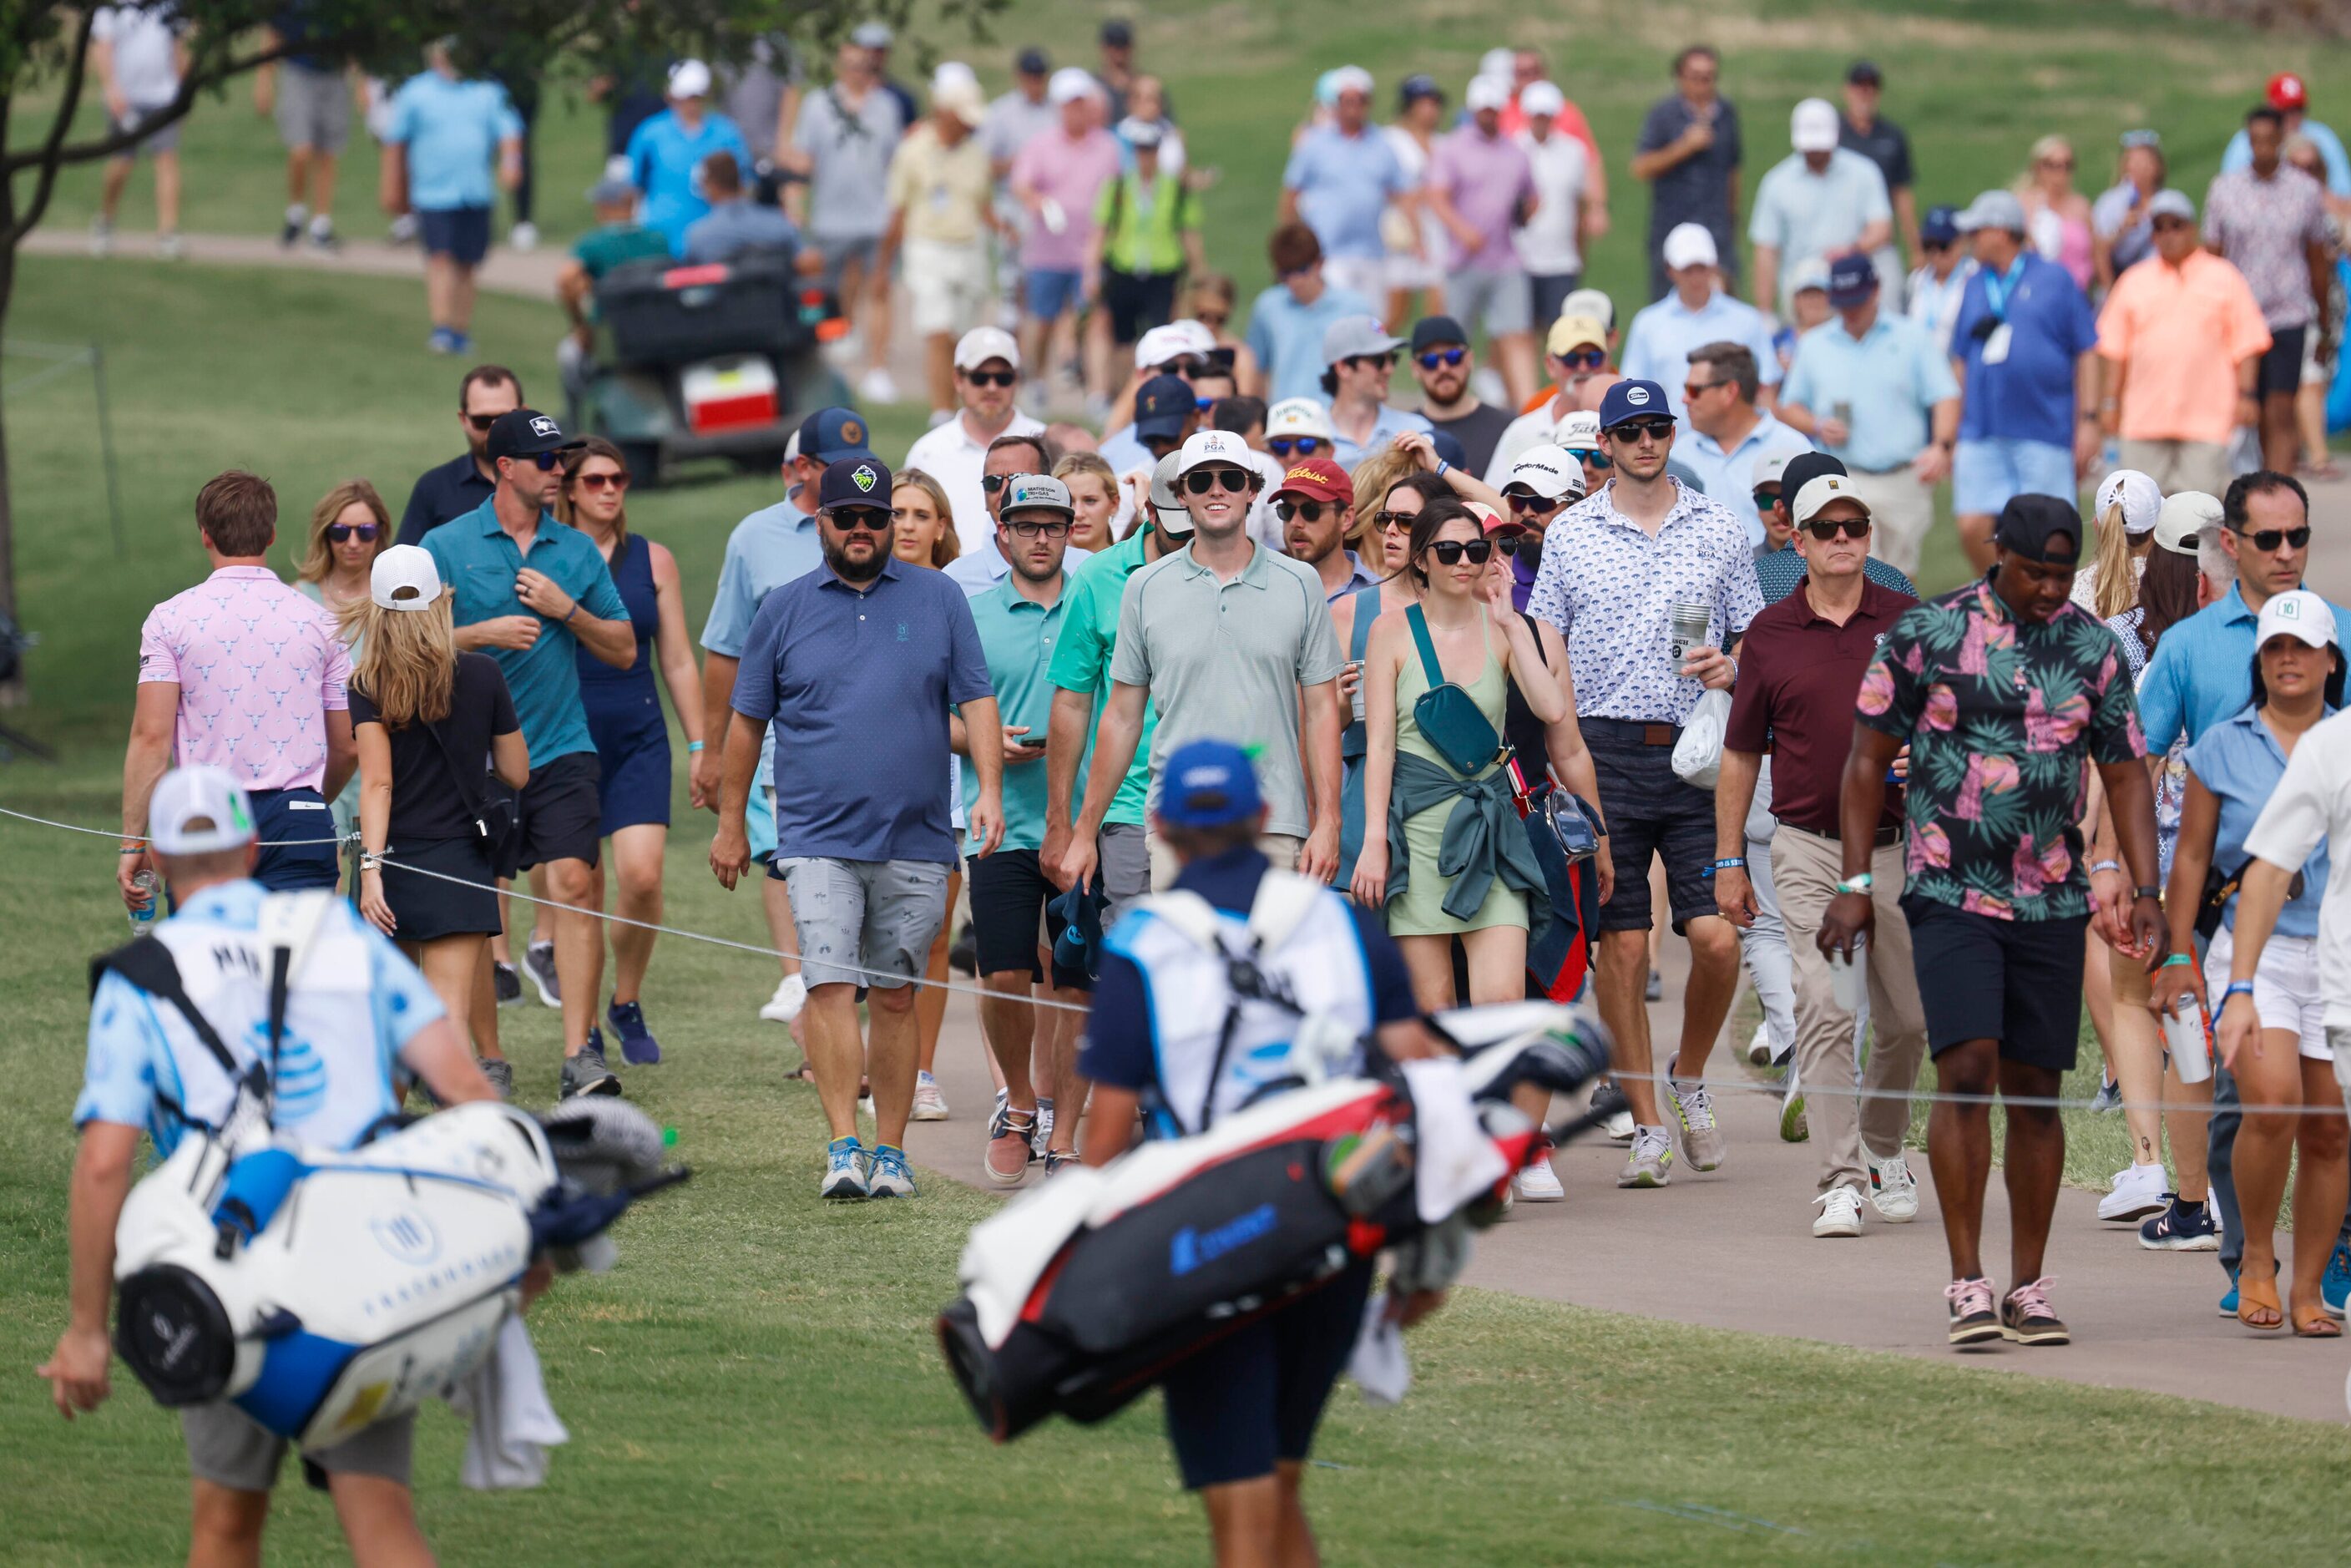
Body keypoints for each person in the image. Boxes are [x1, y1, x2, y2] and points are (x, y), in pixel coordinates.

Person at [41, 765, 498, 1567]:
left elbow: (105, 1162)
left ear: (153, 858)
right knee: (382, 1522)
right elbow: (464, 1089)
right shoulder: (342, 935)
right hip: (364, 1261)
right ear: (252, 847)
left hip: (224, 1269)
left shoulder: (139, 978)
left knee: (225, 1527)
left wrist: (87, 1331)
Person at [1077, 739, 1445, 1567]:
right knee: (1277, 1486)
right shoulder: (1343, 926)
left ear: (1162, 826)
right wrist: (1428, 1260)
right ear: (1260, 818)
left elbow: (1104, 1139)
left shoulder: (1142, 942)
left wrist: (1084, 1266)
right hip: (1331, 1237)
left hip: (1208, 1244)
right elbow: (1426, 1095)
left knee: (1240, 1512)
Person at [1833, 494, 2163, 1348]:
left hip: (2050, 897)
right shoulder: (1928, 633)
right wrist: (1851, 881)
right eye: (2036, 573)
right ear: (1996, 556)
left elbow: (2124, 771)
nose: (2053, 588)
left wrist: (2144, 886)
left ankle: (2028, 1286)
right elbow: (1867, 756)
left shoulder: (2090, 648)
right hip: (1947, 889)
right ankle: (1965, 1281)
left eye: (2062, 573)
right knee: (1966, 1064)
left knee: (2033, 1092)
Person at [712, 457, 1007, 1201]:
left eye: (878, 519)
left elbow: (976, 702)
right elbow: (746, 723)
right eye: (849, 517)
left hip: (915, 834)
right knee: (830, 984)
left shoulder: (939, 597)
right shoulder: (782, 607)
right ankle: (844, 1144)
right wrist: (730, 825)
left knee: (898, 994)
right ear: (824, 522)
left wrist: (991, 791)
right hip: (814, 837)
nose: (865, 530)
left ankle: (892, 1151)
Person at [1525, 379, 1764, 1187]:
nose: (1644, 442)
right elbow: (1545, 641)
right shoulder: (1569, 534)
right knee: (1621, 945)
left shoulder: (1718, 526)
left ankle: (1686, 1075)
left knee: (1714, 936)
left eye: (1656, 427)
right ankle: (1646, 1122)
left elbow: (1751, 634)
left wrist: (1732, 669)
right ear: (1607, 445)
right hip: (1601, 750)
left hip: (1696, 752)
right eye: (1628, 431)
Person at [1718, 473, 1925, 1237]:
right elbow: (1741, 756)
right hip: (1806, 850)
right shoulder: (1770, 635)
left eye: (1856, 527)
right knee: (1829, 1009)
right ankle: (1840, 1177)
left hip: (1898, 849)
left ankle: (1881, 1147)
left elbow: (1954, 723)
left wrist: (1927, 753)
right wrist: (1728, 859)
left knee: (1907, 1021)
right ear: (1797, 540)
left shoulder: (1907, 620)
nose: (1844, 540)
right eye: (1827, 528)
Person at [422, 409, 636, 1098]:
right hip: (471, 762)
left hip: (562, 748)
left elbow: (626, 649)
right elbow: (406, 648)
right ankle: (489, 1054)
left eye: (560, 463)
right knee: (477, 910)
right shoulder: (445, 546)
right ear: (503, 466)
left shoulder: (574, 552)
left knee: (575, 882)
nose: (558, 473)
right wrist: (479, 632)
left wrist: (566, 610)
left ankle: (581, 1053)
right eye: (546, 462)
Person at [2156, 589, 2344, 1334]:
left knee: (2330, 1129)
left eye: (2304, 648)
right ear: (2259, 660)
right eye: (2275, 648)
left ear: (2333, 661)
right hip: (2252, 953)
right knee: (2271, 1104)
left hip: (2338, 953)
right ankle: (2257, 1258)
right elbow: (2194, 857)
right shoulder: (2223, 744)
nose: (2289, 660)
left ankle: (2308, 1286)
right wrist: (2178, 955)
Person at [1059, 429, 1344, 894]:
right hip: (1178, 824)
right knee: (1181, 964)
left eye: (1231, 478)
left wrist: (1327, 821)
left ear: (1252, 491)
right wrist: (1085, 831)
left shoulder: (1301, 582)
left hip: (1273, 820)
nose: (1217, 489)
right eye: (1201, 480)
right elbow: (1122, 719)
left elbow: (1322, 709)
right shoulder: (1145, 587)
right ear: (1180, 494)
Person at [1354, 493, 1568, 1011]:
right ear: (1421, 558)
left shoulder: (1500, 626)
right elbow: (1380, 745)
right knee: (1434, 1012)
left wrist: (1512, 621)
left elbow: (1552, 709)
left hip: (1490, 833)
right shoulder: (1390, 631)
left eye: (1475, 550)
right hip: (1418, 833)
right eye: (1448, 552)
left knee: (1501, 1006)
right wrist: (1374, 841)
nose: (1465, 562)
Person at [2089, 491, 2225, 1245]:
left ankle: (2156, 1169)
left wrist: (2103, 854)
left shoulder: (2124, 639)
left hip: (2156, 856)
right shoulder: (2245, 639)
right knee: (2194, 1019)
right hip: (2223, 858)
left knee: (2141, 1003)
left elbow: (2121, 760)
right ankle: (2200, 1184)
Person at [345, 544, 532, 1095]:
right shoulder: (482, 674)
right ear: (441, 602)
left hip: (394, 862)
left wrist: (371, 871)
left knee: (392, 1022)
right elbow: (518, 773)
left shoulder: (364, 686)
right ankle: (463, 1149)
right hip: (460, 863)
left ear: (375, 611)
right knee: (448, 1016)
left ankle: (381, 1139)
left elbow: (377, 783)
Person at [700, 412, 864, 1031]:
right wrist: (711, 750)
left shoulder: (877, 518)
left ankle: (832, 981)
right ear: (800, 469)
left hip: (866, 726)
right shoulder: (754, 536)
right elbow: (725, 647)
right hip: (778, 727)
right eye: (831, 466)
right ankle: (797, 977)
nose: (852, 475)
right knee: (781, 851)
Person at [123, 471, 353, 912]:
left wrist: (131, 843)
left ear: (205, 535)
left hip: (203, 817)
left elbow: (151, 738)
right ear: (270, 534)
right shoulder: (323, 622)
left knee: (209, 964)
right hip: (299, 816)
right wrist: (305, 804)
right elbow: (347, 746)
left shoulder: (170, 619)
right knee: (297, 971)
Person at [956, 474, 1090, 1181]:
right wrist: (978, 741)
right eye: (1026, 525)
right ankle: (1019, 1101)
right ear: (1002, 532)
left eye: (1054, 525)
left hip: (1082, 825)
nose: (1041, 537)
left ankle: (1064, 1134)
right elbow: (933, 712)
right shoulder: (970, 612)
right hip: (1000, 821)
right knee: (1005, 970)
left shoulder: (1098, 605)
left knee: (1074, 981)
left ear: (1072, 532)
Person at [554, 438, 705, 1068]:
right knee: (579, 886)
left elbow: (675, 658)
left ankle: (625, 999)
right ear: (568, 490)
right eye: (594, 480)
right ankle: (582, 1025)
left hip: (639, 731)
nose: (610, 489)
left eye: (618, 477)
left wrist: (701, 745)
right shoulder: (548, 556)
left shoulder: (654, 560)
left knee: (641, 877)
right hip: (566, 734)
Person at [1776, 255, 1960, 575]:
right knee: (1851, 573)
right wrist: (1818, 425)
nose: (1851, 312)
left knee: (1900, 579)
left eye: (1857, 302)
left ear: (1875, 291)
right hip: (1844, 478)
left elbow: (1945, 394)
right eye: (1844, 303)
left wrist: (1942, 446)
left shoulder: (1911, 337)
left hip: (1903, 477)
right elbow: (1788, 406)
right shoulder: (1814, 344)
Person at [1948, 189, 2101, 572]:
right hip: (1981, 430)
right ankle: (2003, 598)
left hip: (2043, 428)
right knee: (1972, 525)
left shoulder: (2056, 279)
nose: (1970, 240)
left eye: (1977, 231)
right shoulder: (1973, 284)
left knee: (2052, 531)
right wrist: (1952, 429)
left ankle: (2047, 610)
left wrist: (2090, 420)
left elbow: (2087, 350)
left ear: (2001, 232)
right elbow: (1960, 358)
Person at [2092, 189, 2272, 499]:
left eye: (2175, 225)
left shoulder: (2223, 276)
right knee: (2138, 514)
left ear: (2192, 229)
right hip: (2143, 417)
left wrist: (2246, 394)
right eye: (2159, 227)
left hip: (2207, 418)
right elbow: (2115, 349)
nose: (2168, 234)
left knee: (2198, 516)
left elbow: (2247, 341)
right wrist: (2109, 402)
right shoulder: (2134, 280)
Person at [2203, 107, 2335, 475]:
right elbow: (2212, 257)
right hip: (2238, 317)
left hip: (2286, 314)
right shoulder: (2225, 190)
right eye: (2254, 140)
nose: (2261, 148)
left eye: (2268, 140)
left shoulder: (2304, 191)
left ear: (2281, 141)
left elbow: (2316, 260)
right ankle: (2253, 488)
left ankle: (2278, 493)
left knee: (2280, 408)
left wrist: (2324, 321)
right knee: (2249, 409)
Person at [381, 42, 523, 354]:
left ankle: (460, 328)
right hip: (432, 192)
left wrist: (511, 164)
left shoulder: (487, 89)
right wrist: (392, 186)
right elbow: (396, 142)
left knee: (469, 262)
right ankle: (441, 326)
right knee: (440, 257)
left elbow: (509, 131)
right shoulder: (416, 92)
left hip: (474, 190)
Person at [786, 39, 905, 405]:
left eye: (865, 66)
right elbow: (803, 159)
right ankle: (827, 362)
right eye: (852, 65)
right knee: (827, 293)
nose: (859, 73)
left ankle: (878, 368)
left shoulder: (887, 107)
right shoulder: (818, 105)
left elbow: (895, 163)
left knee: (881, 289)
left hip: (876, 217)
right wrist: (794, 199)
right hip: (830, 217)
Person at [881, 72, 997, 420]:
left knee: (960, 338)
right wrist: (884, 263)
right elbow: (899, 209)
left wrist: (1003, 227)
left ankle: (959, 409)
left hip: (969, 247)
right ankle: (941, 411)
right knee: (939, 330)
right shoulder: (913, 150)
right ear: (945, 112)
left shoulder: (976, 154)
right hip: (927, 246)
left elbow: (983, 205)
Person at [1423, 77, 1538, 406]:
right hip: (1463, 260)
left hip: (1505, 258)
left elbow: (1530, 196)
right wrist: (1462, 231)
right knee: (1451, 341)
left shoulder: (1515, 151)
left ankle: (1527, 409)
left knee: (1516, 333)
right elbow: (1437, 197)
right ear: (1475, 109)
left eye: (1494, 109)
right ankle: (1444, 403)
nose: (1489, 115)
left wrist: (1528, 211)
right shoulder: (1452, 147)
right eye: (1484, 109)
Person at [293, 478, 390, 864]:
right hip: (323, 760)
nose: (353, 543)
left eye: (365, 531)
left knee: (376, 878)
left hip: (384, 759)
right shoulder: (299, 598)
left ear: (381, 535)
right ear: (324, 535)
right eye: (340, 531)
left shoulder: (394, 599)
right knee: (326, 878)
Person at [1011, 69, 1121, 408]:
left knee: (1095, 320)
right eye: (1071, 105)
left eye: (1082, 104)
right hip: (1048, 251)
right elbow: (1022, 184)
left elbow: (1118, 194)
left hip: (1091, 249)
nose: (1078, 111)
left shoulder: (1107, 147)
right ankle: (1037, 379)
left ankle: (1098, 393)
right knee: (1044, 321)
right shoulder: (1042, 145)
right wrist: (1039, 203)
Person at [1616, 223, 1782, 421]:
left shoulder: (1747, 320)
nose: (1695, 277)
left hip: (1737, 444)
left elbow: (1766, 390)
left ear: (1713, 267)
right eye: (1688, 269)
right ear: (1670, 270)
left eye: (1701, 268)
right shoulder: (1647, 323)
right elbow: (1634, 388)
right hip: (1668, 444)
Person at [1747, 98, 1893, 321]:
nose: (1816, 152)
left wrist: (1853, 249)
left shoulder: (1864, 173)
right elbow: (1766, 251)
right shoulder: (1777, 183)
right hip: (1801, 290)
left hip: (1850, 281)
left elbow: (1881, 228)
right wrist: (1765, 312)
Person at [1282, 65, 1412, 304]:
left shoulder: (1382, 144)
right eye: (1346, 101)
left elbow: (1401, 192)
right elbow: (1291, 192)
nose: (1352, 108)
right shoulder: (1315, 144)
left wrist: (1412, 232)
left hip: (1372, 252)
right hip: (1327, 254)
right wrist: (1289, 247)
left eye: (1358, 100)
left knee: (1371, 324)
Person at [904, 327, 1048, 543]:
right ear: (958, 380)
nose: (991, 387)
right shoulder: (927, 452)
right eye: (980, 378)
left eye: (1003, 378)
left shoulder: (1046, 443)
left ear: (1016, 379)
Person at [1087, 119, 1205, 362]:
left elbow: (1188, 232)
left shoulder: (1174, 188)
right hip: (1124, 267)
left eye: (1150, 150)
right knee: (1122, 339)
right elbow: (1101, 230)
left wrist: (1199, 270)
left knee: (1163, 334)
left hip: (1163, 270)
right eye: (1141, 150)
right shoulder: (1118, 185)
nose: (1145, 156)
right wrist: (1091, 271)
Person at [1632, 45, 1742, 302]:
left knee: (1722, 303)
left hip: (1717, 229)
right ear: (1681, 78)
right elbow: (1640, 167)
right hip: (1670, 227)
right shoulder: (1663, 115)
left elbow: (1734, 171)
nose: (1703, 85)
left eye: (1709, 77)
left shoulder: (1727, 114)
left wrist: (1732, 220)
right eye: (1696, 77)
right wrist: (1683, 147)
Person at [1673, 340, 1797, 549]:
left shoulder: (1794, 448)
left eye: (1694, 390)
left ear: (1730, 391)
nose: (1684, 399)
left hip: (1775, 577)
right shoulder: (1678, 454)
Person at [88, 4, 189, 260]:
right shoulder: (112, 8)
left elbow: (178, 48)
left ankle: (168, 233)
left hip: (163, 97)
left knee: (166, 159)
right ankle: (106, 221)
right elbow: (102, 48)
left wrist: (182, 92)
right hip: (125, 98)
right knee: (122, 162)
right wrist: (112, 89)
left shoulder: (169, 6)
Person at [622, 59, 750, 258]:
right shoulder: (650, 133)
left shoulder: (726, 133)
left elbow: (743, 183)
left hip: (715, 240)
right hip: (663, 240)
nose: (690, 104)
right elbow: (633, 184)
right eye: (684, 97)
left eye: (695, 97)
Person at [1247, 222, 1379, 406]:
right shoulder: (1267, 307)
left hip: (1337, 423)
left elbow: (1374, 371)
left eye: (1301, 270)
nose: (1295, 281)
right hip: (1284, 421)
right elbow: (1256, 370)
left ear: (1320, 263)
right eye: (1286, 273)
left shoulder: (1355, 308)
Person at [255, 13, 351, 251]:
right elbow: (273, 32)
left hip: (334, 73)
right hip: (298, 70)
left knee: (328, 151)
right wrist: (264, 78)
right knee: (301, 149)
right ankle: (296, 213)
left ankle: (321, 224)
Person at [1514, 80, 1598, 328]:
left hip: (1562, 260)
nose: (1541, 121)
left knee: (1559, 330)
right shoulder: (1512, 148)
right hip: (1520, 258)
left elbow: (1578, 206)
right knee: (1520, 330)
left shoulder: (1574, 151)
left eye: (1546, 115)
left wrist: (1580, 253)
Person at [1383, 74, 1452, 330]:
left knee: (1439, 309)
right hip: (1401, 234)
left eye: (1434, 103)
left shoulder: (1443, 143)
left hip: (1438, 232)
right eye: (1424, 102)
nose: (1431, 109)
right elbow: (1389, 187)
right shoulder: (1390, 139)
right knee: (1395, 312)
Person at [2222, 71, 2351, 206]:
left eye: (2298, 109)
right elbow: (2230, 192)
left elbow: (2343, 192)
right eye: (2284, 111)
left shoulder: (2323, 137)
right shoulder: (2245, 142)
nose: (2291, 117)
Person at [1322, 315, 1433, 470]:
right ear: (1343, 368)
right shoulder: (1305, 441)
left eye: (1392, 359)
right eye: (1378, 361)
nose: (1390, 369)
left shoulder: (1418, 433)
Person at [1838, 61, 1919, 264]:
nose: (1865, 93)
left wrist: (1915, 247)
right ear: (1847, 90)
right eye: (1860, 86)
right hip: (1840, 238)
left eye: (1871, 87)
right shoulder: (1834, 134)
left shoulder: (1892, 136)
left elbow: (1902, 194)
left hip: (1880, 240)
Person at [1272, 456, 1371, 604]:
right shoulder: (1263, 591)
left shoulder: (1378, 595)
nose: (1295, 522)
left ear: (1346, 518)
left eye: (1310, 511)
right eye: (1287, 510)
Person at [680, 149, 801, 264]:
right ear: (741, 182)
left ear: (710, 186)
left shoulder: (698, 237)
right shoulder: (779, 224)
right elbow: (805, 260)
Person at [2017, 134, 2095, 291]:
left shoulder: (2081, 206)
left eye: (2067, 165)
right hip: (2036, 291)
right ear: (2038, 167)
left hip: (2078, 293)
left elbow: (2096, 253)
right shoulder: (2023, 204)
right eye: (2052, 165)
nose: (2060, 173)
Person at [2092, 129, 2168, 290]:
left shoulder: (2166, 201)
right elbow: (2099, 250)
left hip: (2160, 283)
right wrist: (2122, 229)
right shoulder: (2110, 203)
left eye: (2146, 161)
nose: (2141, 167)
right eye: (2135, 161)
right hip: (2122, 281)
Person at [1904, 204, 1976, 353]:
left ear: (1961, 242)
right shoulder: (1917, 280)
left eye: (1943, 246)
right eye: (1928, 245)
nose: (1935, 253)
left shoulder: (1974, 276)